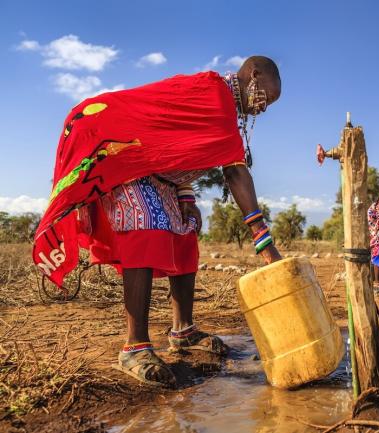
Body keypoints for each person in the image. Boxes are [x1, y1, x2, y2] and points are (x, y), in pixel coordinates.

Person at [33, 56, 282, 387]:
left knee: (185, 234)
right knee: (144, 224)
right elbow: (235, 171)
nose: (263, 108)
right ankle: (134, 347)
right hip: (117, 150)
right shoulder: (215, 94)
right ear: (255, 74)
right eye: (266, 96)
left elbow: (176, 147)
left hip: (153, 170)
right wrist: (263, 241)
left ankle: (183, 331)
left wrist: (186, 198)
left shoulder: (219, 104)